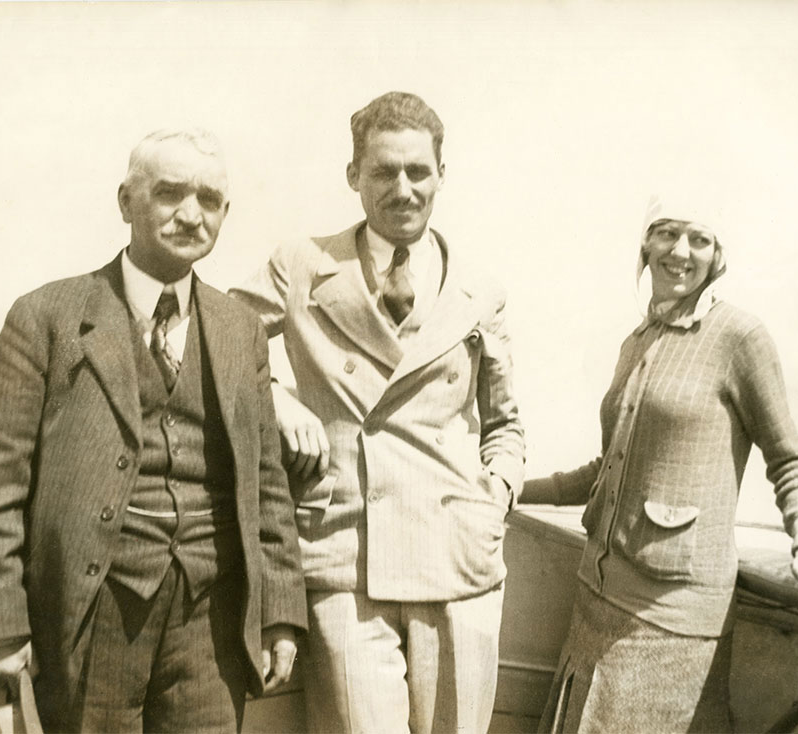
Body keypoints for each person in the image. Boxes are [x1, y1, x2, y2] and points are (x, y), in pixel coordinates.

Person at [0, 128, 308, 733]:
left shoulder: (240, 328)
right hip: (93, 611)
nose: (190, 215)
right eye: (169, 193)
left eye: (209, 200)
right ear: (126, 201)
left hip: (213, 620)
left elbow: (267, 486)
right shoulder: (47, 317)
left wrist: (278, 614)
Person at [230, 91, 525, 733]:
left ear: (441, 174)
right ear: (353, 176)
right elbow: (224, 341)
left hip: (459, 559)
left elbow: (504, 423)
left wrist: (495, 493)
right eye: (384, 171)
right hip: (347, 556)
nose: (403, 188)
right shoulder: (303, 265)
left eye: (418, 171)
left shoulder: (480, 289)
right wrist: (276, 398)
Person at [521, 194, 798, 734]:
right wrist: (513, 488)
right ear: (645, 243)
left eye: (699, 239)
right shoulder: (635, 342)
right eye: (667, 233)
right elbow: (604, 471)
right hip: (596, 601)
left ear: (717, 256)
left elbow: (788, 455)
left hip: (673, 620)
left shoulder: (739, 337)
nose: (681, 251)